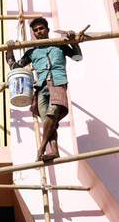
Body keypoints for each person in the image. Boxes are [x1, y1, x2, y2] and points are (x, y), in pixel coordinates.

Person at [6, 17, 82, 162]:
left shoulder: (60, 45)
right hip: (40, 87)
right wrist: (9, 50)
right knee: (48, 120)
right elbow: (14, 66)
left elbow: (77, 57)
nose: (39, 32)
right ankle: (54, 151)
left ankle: (41, 147)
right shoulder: (32, 52)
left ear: (47, 29)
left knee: (52, 113)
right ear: (33, 33)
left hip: (57, 82)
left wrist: (73, 41)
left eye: (41, 28)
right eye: (36, 30)